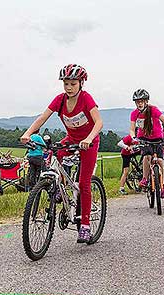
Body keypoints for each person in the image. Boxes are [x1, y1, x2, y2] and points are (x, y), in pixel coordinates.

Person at [21, 64, 103, 243]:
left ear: (81, 83)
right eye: (66, 83)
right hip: (71, 139)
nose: (69, 87)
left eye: (73, 84)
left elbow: (98, 122)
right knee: (55, 155)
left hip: (89, 142)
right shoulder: (59, 100)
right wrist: (28, 133)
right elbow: (42, 118)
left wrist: (89, 139)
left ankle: (86, 225)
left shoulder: (86, 98)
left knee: (83, 182)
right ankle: (59, 188)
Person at [129, 89, 164, 199]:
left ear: (146, 101)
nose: (139, 103)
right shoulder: (134, 113)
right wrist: (133, 138)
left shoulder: (153, 109)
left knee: (159, 160)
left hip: (157, 137)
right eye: (137, 101)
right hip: (143, 138)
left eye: (141, 101)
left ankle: (163, 185)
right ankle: (145, 178)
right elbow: (132, 129)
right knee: (146, 156)